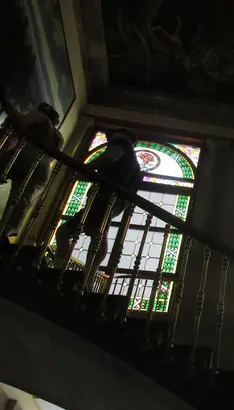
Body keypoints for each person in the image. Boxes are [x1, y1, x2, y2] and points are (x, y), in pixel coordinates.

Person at [54, 129, 141, 286]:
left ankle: (82, 277)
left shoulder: (121, 144)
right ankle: (74, 274)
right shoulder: (133, 164)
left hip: (105, 197)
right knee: (68, 231)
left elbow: (110, 157)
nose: (108, 141)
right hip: (111, 199)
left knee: (95, 233)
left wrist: (85, 168)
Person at [0, 89, 63, 238]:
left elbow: (20, 121)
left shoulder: (41, 116)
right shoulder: (59, 136)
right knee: (22, 199)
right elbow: (52, 157)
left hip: (25, 157)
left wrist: (5, 101)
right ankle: (7, 231)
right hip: (43, 169)